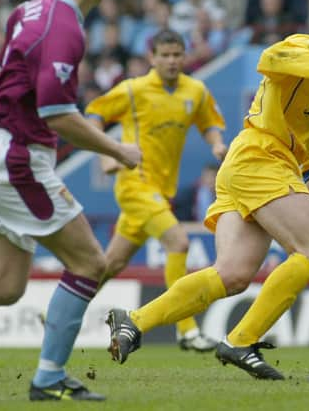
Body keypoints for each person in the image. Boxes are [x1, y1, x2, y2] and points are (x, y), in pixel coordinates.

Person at [105, 1, 309, 380]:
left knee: (233, 274)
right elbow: (272, 57)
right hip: (261, 157)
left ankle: (134, 321)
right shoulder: (307, 47)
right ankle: (242, 339)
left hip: (250, 164)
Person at [0, 0, 141, 401]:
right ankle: (49, 378)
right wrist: (117, 149)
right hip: (19, 159)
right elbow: (58, 113)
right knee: (90, 262)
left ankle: (50, 377)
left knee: (5, 286)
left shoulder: (31, 9)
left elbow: (9, 72)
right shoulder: (65, 24)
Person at [86, 29, 226, 352]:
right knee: (178, 242)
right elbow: (93, 114)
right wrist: (107, 150)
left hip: (161, 192)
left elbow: (210, 123)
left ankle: (57, 312)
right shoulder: (133, 90)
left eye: (178, 54)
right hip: (134, 185)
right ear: (152, 57)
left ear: (185, 56)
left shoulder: (196, 91)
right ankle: (187, 330)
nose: (172, 61)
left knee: (109, 265)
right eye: (165, 55)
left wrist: (217, 143)